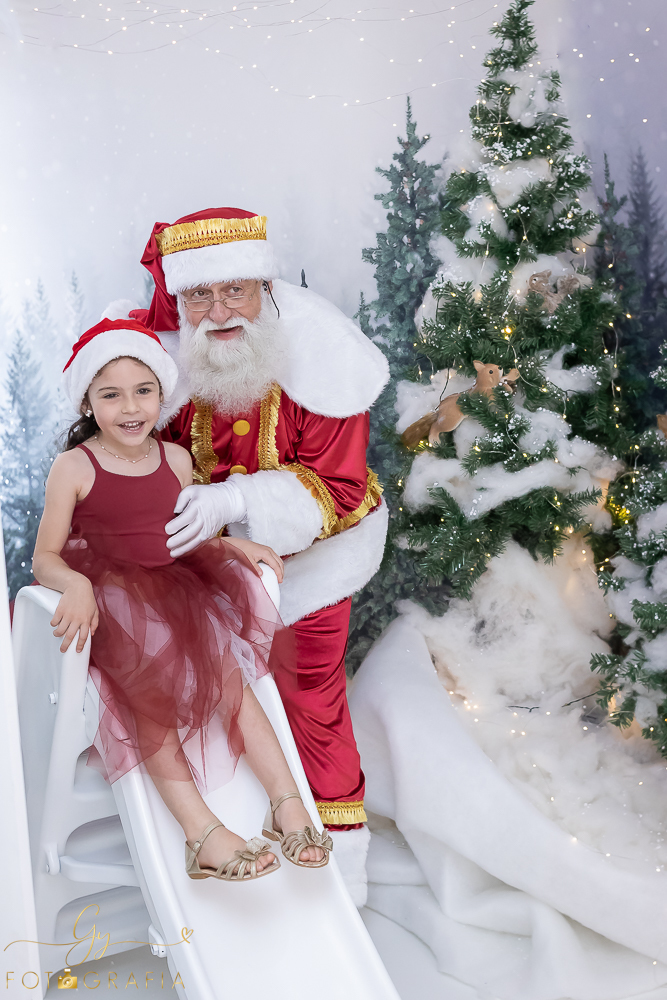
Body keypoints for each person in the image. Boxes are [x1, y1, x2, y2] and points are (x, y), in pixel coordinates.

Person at [118, 207, 390, 904]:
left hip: (317, 559)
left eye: (233, 290)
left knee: (308, 694)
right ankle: (218, 832)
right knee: (188, 683)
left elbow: (339, 486)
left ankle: (342, 881)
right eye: (199, 296)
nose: (217, 311)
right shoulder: (167, 359)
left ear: (263, 285)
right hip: (206, 563)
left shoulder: (321, 354)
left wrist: (235, 501)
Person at [32, 318, 333, 881]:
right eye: (111, 394)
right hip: (114, 602)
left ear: (162, 395)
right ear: (88, 402)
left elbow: (183, 532)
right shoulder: (75, 465)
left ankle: (285, 803)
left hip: (177, 588)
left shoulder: (174, 460)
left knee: (234, 685)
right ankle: (202, 833)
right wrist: (74, 583)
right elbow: (44, 556)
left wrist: (230, 544)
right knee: (155, 696)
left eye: (144, 391)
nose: (130, 407)